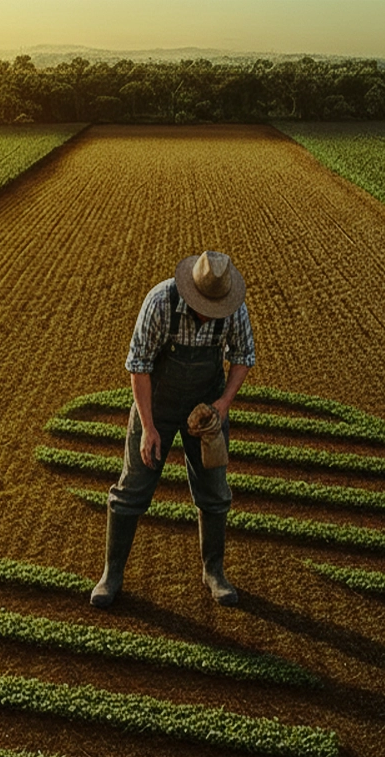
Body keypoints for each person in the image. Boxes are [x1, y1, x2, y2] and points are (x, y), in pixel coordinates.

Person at [90, 250, 255, 608]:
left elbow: (243, 356)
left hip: (206, 409)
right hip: (157, 405)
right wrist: (148, 427)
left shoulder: (233, 308)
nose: (211, 313)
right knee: (132, 488)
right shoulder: (160, 302)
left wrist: (222, 405)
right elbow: (139, 366)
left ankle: (214, 571)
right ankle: (111, 574)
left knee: (214, 490)